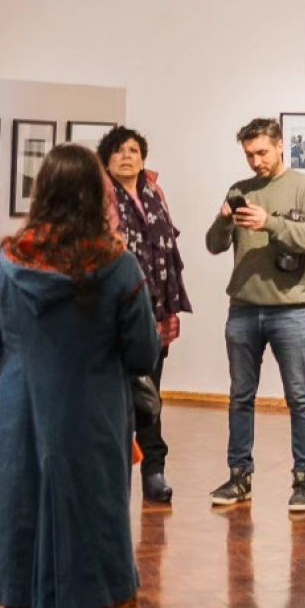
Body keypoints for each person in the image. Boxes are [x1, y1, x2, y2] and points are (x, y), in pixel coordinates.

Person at [0, 144, 159, 608]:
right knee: (93, 543)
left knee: (21, 543)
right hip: (93, 425)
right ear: (97, 196)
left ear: (40, 192)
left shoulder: (3, 263)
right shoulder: (118, 267)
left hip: (19, 425)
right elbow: (143, 353)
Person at [204, 118, 305, 513]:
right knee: (240, 397)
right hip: (243, 309)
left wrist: (270, 223)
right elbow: (213, 245)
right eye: (249, 155)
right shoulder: (239, 190)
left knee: (300, 397)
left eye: (262, 152)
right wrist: (224, 219)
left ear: (280, 146)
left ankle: (304, 479)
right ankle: (239, 476)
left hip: (291, 309)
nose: (256, 161)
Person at [99, 124, 192, 506]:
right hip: (119, 311)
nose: (127, 157)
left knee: (151, 393)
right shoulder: (102, 196)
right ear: (106, 159)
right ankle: (116, 473)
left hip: (156, 310)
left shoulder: (155, 192)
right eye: (119, 151)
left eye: (133, 151)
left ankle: (154, 470)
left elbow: (166, 250)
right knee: (120, 397)